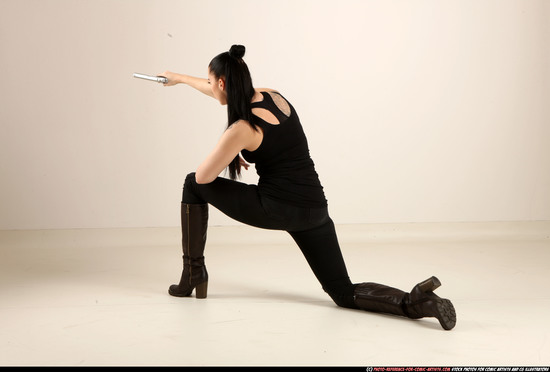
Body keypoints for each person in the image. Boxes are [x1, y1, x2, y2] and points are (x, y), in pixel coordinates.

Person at [158, 45, 456, 330]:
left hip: (277, 208)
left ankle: (193, 272)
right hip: (315, 210)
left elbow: (203, 178)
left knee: (190, 183)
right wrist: (180, 79)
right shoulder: (274, 96)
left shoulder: (241, 129)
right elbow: (224, 95)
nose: (210, 88)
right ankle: (415, 302)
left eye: (211, 82)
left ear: (222, 82)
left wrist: (228, 148)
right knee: (343, 291)